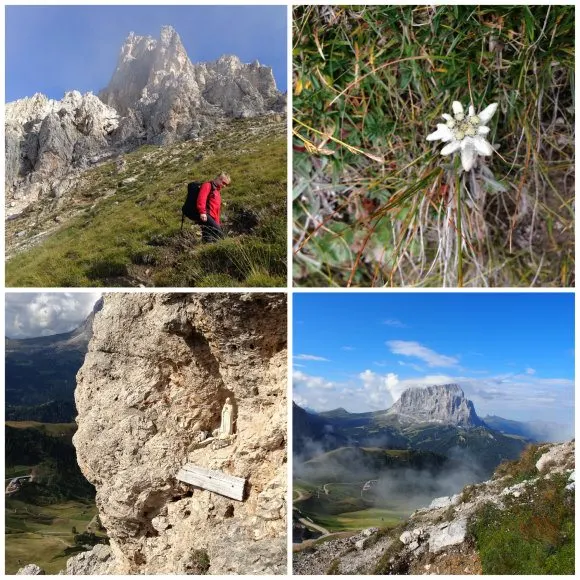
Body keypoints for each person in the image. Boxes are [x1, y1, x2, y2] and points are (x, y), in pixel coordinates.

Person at [197, 172, 231, 242]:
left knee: (208, 235)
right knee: (219, 232)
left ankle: (205, 249)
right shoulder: (207, 185)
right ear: (218, 178)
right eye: (224, 183)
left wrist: (217, 222)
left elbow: (217, 209)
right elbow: (201, 199)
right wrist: (202, 212)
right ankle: (224, 245)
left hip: (212, 216)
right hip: (206, 215)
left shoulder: (216, 191)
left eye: (226, 184)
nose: (224, 186)